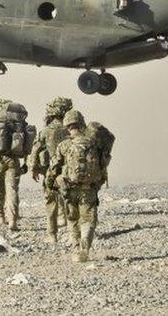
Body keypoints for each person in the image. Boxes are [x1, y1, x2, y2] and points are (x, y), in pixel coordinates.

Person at [49, 109, 113, 262]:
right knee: (89, 219)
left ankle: (76, 249)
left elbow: (54, 167)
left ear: (67, 126)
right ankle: (85, 246)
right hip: (89, 188)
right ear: (81, 123)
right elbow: (103, 163)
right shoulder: (94, 143)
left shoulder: (64, 145)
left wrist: (52, 182)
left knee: (73, 219)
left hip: (70, 189)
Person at [0, 102, 34, 231]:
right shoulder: (20, 127)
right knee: (12, 190)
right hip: (14, 161)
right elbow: (28, 147)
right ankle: (12, 221)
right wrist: (26, 163)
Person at [29, 97, 73, 242]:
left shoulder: (46, 131)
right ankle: (73, 233)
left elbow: (35, 150)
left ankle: (52, 235)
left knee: (51, 202)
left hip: (52, 171)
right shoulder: (73, 129)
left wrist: (33, 169)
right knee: (72, 201)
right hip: (71, 171)